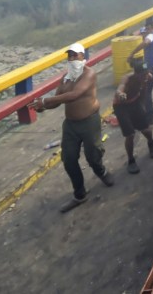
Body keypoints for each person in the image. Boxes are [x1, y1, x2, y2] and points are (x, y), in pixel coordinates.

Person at [30, 43, 114, 213]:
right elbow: (58, 100)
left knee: (93, 155)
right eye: (70, 56)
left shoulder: (89, 74)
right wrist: (42, 107)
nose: (73, 58)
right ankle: (80, 194)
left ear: (83, 56)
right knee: (68, 159)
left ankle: (102, 172)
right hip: (70, 125)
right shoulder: (66, 78)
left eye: (76, 55)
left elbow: (75, 94)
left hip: (89, 121)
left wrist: (45, 101)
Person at [113, 56, 153, 174]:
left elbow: (143, 91)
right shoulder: (127, 78)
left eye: (146, 73)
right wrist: (120, 94)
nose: (145, 77)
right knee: (130, 134)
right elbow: (120, 89)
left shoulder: (147, 77)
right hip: (121, 106)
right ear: (136, 74)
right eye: (142, 75)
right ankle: (131, 160)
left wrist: (142, 107)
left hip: (135, 102)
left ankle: (151, 143)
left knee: (146, 129)